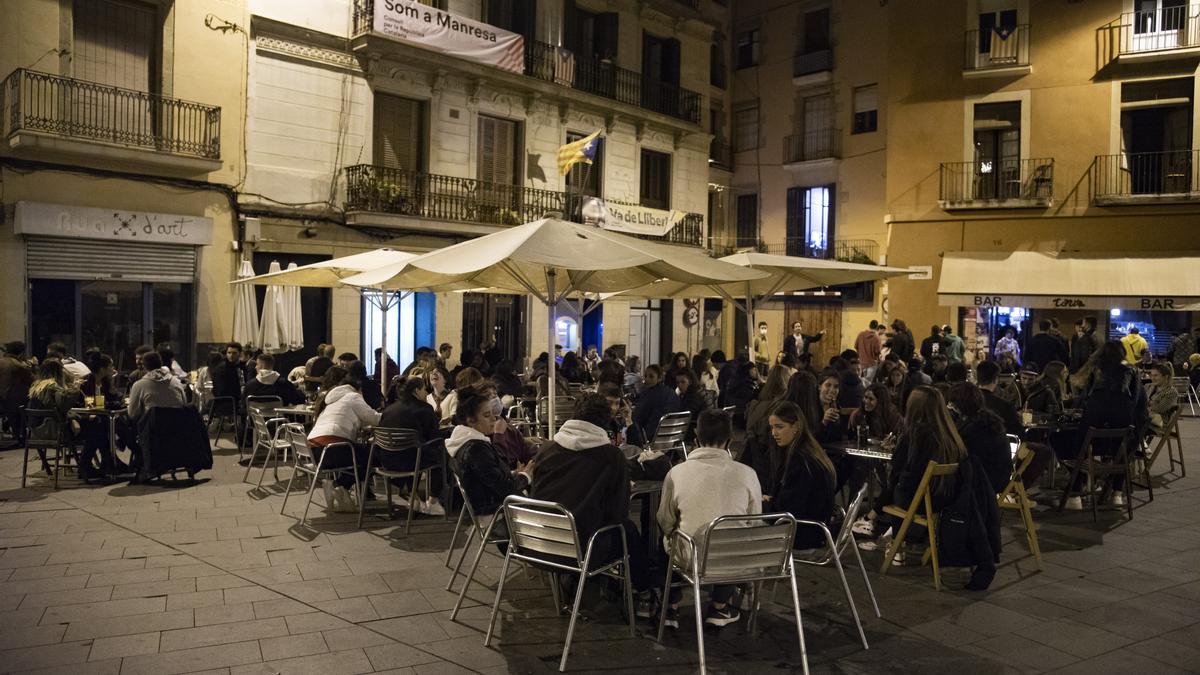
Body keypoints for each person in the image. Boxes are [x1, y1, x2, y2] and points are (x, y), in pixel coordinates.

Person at [532, 394, 652, 599]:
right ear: (605, 423)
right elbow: (618, 513)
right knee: (627, 530)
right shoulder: (611, 457)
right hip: (583, 549)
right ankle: (645, 589)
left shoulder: (546, 449)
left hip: (538, 543)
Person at [657, 409, 761, 628]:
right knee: (733, 540)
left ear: (696, 438)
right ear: (730, 441)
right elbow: (754, 523)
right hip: (732, 560)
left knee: (670, 536)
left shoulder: (677, 472)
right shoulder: (748, 473)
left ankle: (671, 607)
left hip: (690, 558)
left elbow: (665, 521)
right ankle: (720, 606)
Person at [446, 389, 532, 534]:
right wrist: (526, 477)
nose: (493, 419)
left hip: (494, 513)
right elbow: (504, 488)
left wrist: (513, 473)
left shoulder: (465, 443)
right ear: (470, 420)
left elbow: (487, 478)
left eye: (493, 413)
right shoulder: (476, 449)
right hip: (499, 519)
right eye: (487, 415)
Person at [765, 401, 837, 550]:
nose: (774, 433)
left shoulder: (800, 461)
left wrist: (764, 505)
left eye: (779, 427)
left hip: (802, 533)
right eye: (772, 427)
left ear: (796, 427)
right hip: (815, 528)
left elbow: (789, 510)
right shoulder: (810, 451)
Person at [307, 370, 381, 510]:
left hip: (314, 451)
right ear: (358, 388)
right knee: (375, 455)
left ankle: (341, 487)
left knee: (363, 457)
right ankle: (340, 485)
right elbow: (374, 418)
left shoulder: (332, 400)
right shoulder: (353, 396)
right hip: (332, 450)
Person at [378, 376, 446, 516]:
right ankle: (433, 501)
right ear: (416, 390)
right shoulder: (425, 409)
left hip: (386, 460)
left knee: (413, 449)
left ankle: (413, 497)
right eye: (423, 389)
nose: (426, 393)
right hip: (412, 461)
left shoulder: (390, 409)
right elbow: (434, 436)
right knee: (437, 452)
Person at [946, 383, 1011, 493]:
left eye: (950, 404)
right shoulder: (988, 420)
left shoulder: (972, 429)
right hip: (1000, 480)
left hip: (983, 483)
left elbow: (960, 458)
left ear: (957, 406)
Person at [127, 352, 186, 422]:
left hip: (152, 430)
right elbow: (184, 405)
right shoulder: (176, 382)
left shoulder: (139, 385)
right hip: (177, 429)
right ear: (161, 364)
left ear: (144, 366)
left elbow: (132, 414)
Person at [632, 364, 680, 440]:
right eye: (645, 376)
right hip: (673, 436)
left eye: (651, 376)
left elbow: (638, 417)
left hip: (651, 436)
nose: (647, 379)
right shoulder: (671, 393)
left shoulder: (649, 394)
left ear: (659, 378)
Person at [0, 341, 34, 437]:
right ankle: (23, 434)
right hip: (13, 402)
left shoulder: (2, 361)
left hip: (2, 400)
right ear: (21, 353)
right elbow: (33, 381)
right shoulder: (18, 365)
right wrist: (33, 366)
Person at [674, 369, 709, 442]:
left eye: (683, 382)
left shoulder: (693, 395)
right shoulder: (696, 390)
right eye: (677, 383)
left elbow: (686, 413)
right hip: (703, 425)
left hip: (697, 428)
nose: (679, 385)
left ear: (690, 382)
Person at [1145, 362, 1177, 435]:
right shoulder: (1149, 387)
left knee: (1131, 428)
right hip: (1145, 419)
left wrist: (1143, 406)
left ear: (1166, 377)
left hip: (1158, 425)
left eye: (1156, 375)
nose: (1152, 378)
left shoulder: (1171, 392)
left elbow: (1158, 409)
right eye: (1151, 375)